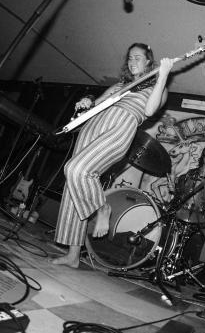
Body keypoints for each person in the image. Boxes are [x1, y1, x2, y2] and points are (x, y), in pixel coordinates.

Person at [51, 43, 175, 268]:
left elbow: (148, 111)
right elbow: (97, 105)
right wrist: (88, 101)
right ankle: (73, 255)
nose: (132, 61)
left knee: (77, 169)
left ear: (149, 61)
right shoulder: (121, 84)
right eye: (129, 57)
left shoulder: (159, 86)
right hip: (95, 125)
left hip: (122, 124)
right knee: (73, 184)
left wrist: (164, 75)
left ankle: (102, 207)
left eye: (138, 57)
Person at [172, 144, 205, 264]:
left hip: (202, 217)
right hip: (183, 211)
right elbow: (179, 194)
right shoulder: (190, 173)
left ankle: (198, 267)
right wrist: (174, 187)